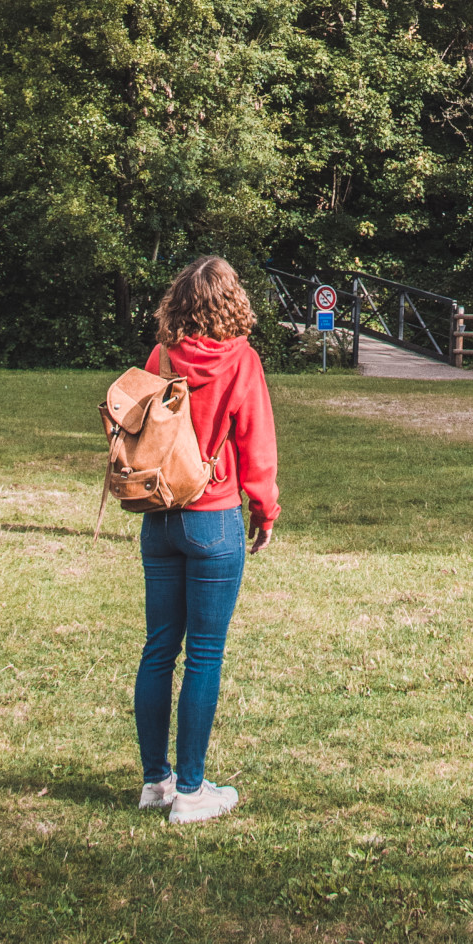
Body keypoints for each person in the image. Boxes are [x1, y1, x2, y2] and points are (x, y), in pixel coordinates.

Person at [132, 256, 279, 823]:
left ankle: (155, 782)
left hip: (160, 514)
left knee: (158, 649)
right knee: (205, 655)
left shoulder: (161, 357)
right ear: (230, 302)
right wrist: (264, 511)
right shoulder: (241, 360)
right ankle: (192, 792)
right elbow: (257, 444)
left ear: (180, 302)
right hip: (214, 516)